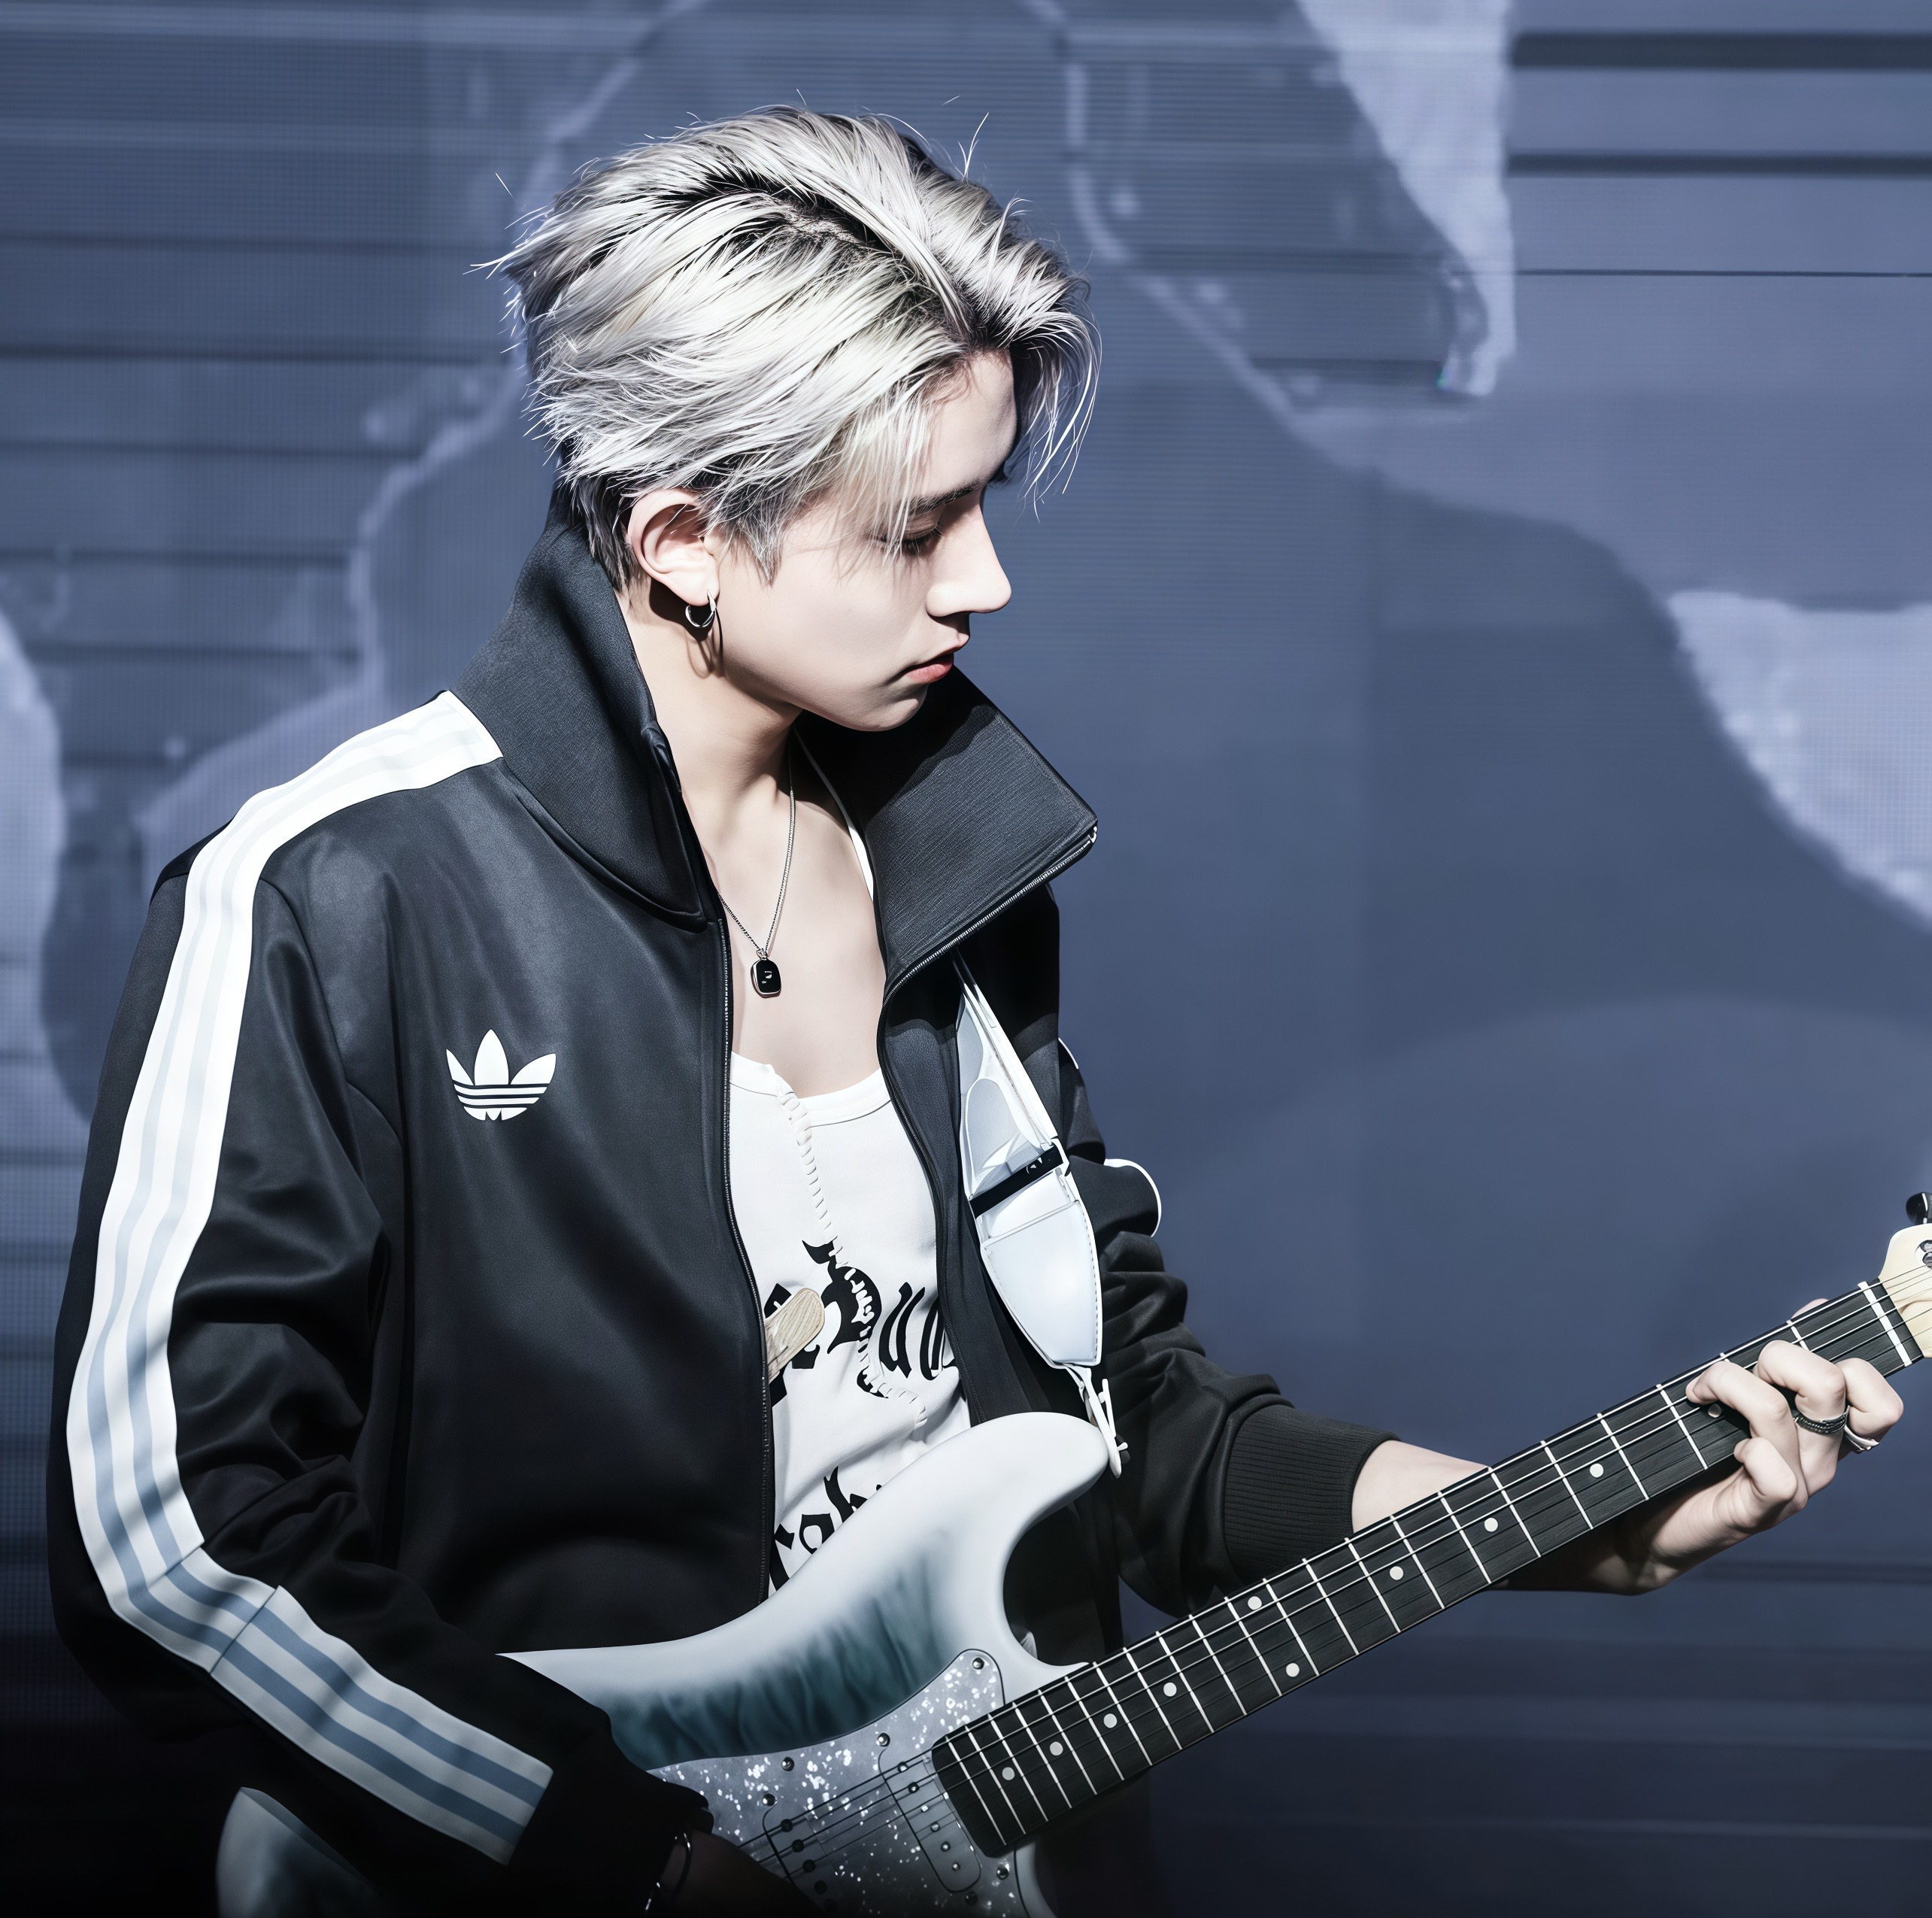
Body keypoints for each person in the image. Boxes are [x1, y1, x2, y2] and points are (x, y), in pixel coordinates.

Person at [47, 110, 1904, 1916]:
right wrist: (636, 1862)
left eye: (983, 506)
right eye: (911, 528)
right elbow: (177, 1549)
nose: (985, 581)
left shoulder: (953, 860)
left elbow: (1133, 1438)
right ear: (684, 539)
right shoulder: (328, 890)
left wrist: (1572, 1525)